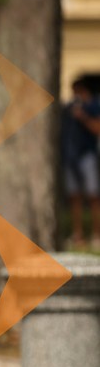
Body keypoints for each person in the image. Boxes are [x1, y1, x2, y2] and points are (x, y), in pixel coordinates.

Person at [62, 78, 100, 250]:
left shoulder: (94, 106)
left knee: (93, 196)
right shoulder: (70, 108)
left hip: (87, 156)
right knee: (74, 196)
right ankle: (78, 235)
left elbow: (97, 129)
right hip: (71, 157)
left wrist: (83, 117)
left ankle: (97, 235)